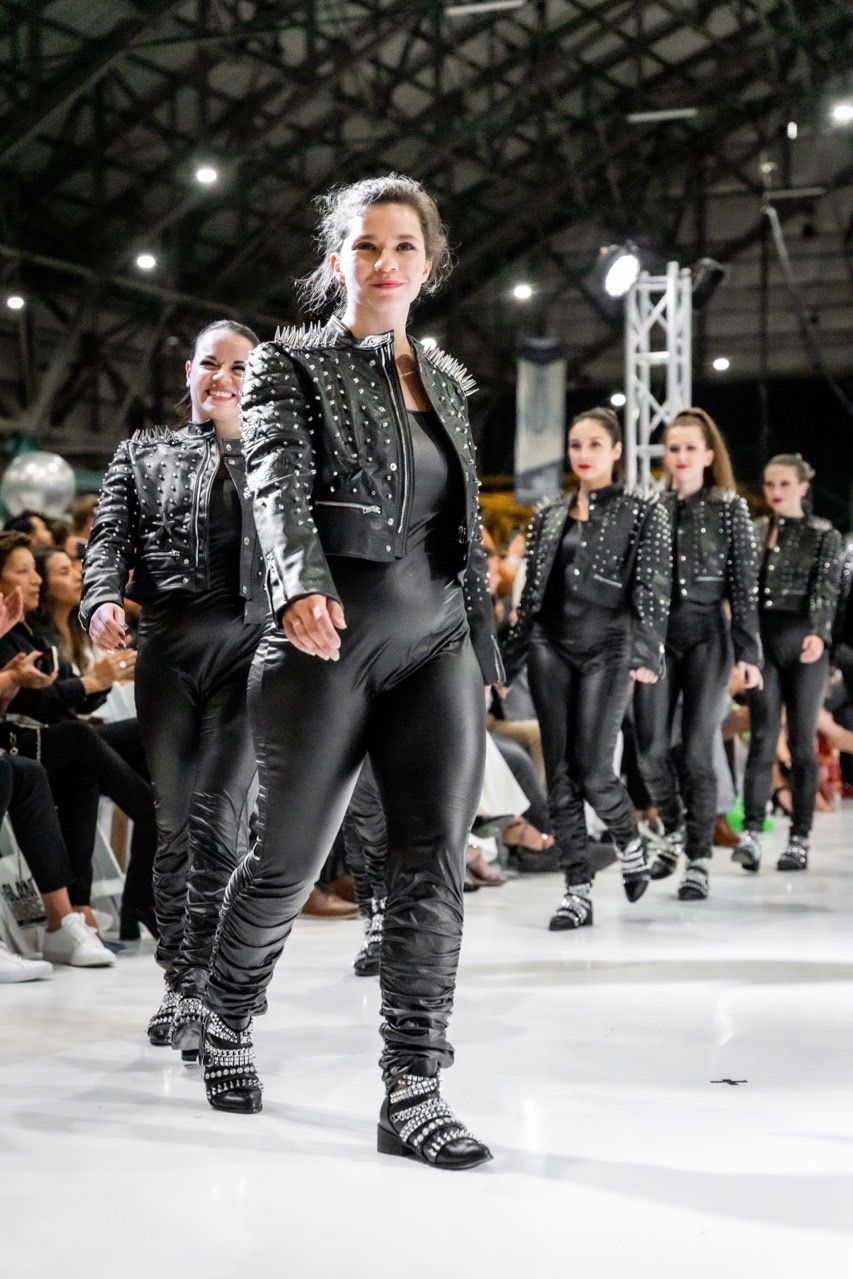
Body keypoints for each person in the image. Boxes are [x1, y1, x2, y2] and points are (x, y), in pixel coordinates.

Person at [201, 175, 502, 1171]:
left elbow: (462, 535)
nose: (383, 263)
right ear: (338, 261)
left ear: (428, 261)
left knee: (430, 861)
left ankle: (413, 1087)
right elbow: (273, 477)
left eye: (403, 247)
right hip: (321, 639)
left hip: (435, 644)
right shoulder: (291, 363)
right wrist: (296, 583)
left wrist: (485, 646)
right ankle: (228, 1012)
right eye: (364, 246)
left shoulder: (450, 380)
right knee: (286, 860)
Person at [81, 318, 266, 1059]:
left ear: (258, 380)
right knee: (175, 824)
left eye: (239, 367)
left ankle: (217, 992)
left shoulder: (279, 456)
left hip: (253, 654)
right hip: (167, 652)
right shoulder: (141, 451)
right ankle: (179, 984)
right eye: (209, 363)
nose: (222, 376)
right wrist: (99, 598)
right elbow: (107, 539)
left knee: (222, 823)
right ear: (187, 372)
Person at [504, 407, 671, 931]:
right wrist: (506, 661)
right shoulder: (549, 513)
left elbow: (653, 589)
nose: (583, 454)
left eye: (595, 444)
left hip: (610, 647)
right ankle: (577, 889)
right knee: (559, 774)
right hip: (550, 646)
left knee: (595, 768)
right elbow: (531, 598)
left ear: (617, 451)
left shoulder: (643, 511)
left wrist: (647, 651)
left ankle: (628, 838)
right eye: (576, 444)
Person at [633, 408, 763, 900]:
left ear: (708, 456)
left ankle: (699, 858)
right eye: (674, 448)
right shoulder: (651, 506)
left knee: (695, 751)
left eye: (691, 448)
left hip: (709, 637)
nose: (681, 456)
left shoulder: (730, 508)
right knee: (649, 752)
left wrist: (750, 653)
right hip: (657, 640)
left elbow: (744, 588)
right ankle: (671, 831)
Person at [0, 534, 157, 937]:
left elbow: (67, 698)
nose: (34, 580)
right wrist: (91, 683)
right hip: (30, 739)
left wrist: (103, 679)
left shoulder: (38, 632)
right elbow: (40, 703)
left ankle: (133, 896)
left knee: (142, 737)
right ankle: (161, 822)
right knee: (79, 745)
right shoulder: (19, 631)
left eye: (37, 571)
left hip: (55, 736)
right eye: (24, 571)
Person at [732, 453, 842, 872]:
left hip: (805, 643)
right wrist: (743, 648)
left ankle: (799, 838)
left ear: (802, 487)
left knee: (800, 741)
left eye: (783, 484)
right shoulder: (755, 531)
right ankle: (753, 834)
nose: (775, 492)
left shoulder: (822, 535)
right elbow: (742, 595)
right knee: (761, 738)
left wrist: (819, 630)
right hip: (762, 644)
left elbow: (826, 589)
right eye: (770, 485)